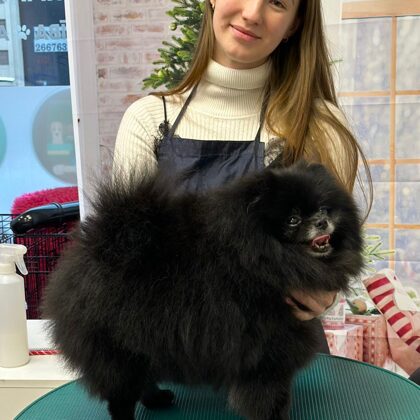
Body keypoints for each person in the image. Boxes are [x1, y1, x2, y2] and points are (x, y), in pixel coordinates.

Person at [114, 1, 371, 339]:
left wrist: (325, 292)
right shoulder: (147, 121)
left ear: (294, 24)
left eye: (277, 2)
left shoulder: (320, 124)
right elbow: (126, 265)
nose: (252, 13)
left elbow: (334, 255)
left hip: (279, 357)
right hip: (174, 353)